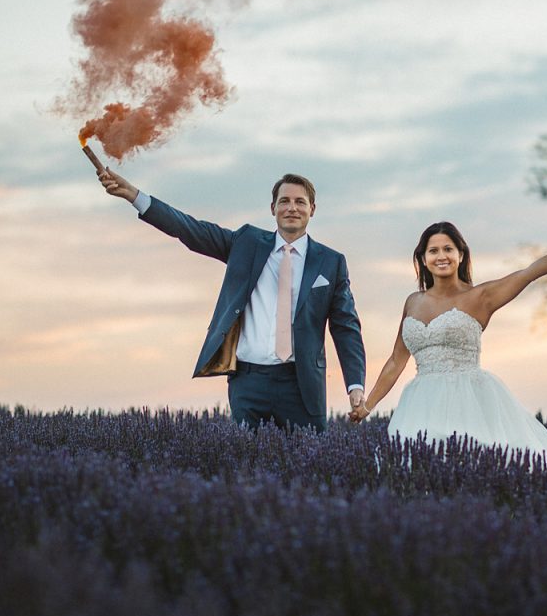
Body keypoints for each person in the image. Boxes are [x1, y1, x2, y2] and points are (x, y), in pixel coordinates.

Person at [97, 167, 366, 432]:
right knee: (244, 458)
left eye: (300, 202)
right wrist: (135, 196)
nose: (292, 208)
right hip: (248, 383)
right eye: (284, 201)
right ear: (273, 208)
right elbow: (191, 230)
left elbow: (346, 327)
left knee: (309, 457)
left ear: (312, 209)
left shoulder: (331, 262)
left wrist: (355, 385)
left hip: (302, 384)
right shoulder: (247, 243)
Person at [350, 221, 547, 466]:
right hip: (420, 404)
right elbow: (396, 361)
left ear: (461, 255)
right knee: (415, 471)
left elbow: (528, 273)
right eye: (433, 250)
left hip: (468, 400)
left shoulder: (480, 296)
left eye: (448, 249)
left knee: (475, 466)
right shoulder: (413, 302)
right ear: (423, 259)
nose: (441, 256)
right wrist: (368, 406)